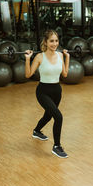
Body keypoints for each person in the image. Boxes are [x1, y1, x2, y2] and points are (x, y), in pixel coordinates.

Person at [25, 30, 70, 158]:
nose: (54, 43)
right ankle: (57, 146)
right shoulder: (40, 57)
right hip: (43, 92)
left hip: (57, 91)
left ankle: (37, 131)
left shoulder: (61, 55)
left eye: (56, 41)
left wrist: (68, 58)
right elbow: (28, 74)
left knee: (49, 116)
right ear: (45, 42)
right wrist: (28, 59)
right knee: (58, 116)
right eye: (51, 41)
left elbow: (65, 74)